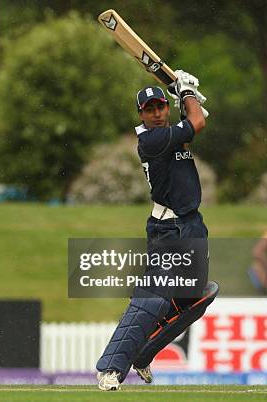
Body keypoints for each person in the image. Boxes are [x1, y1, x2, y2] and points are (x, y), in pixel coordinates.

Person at [95, 71, 219, 391]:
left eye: (161, 107)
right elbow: (197, 123)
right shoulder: (151, 140)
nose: (157, 113)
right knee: (152, 298)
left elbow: (196, 120)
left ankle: (144, 353)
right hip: (167, 229)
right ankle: (110, 368)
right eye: (150, 109)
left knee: (198, 296)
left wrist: (187, 96)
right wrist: (187, 91)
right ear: (141, 114)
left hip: (191, 224)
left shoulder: (171, 132)